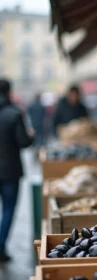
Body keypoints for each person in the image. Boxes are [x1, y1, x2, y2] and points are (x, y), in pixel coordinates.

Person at [0, 79, 33, 262]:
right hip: (10, 172)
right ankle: (0, 246)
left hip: (9, 171)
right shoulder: (14, 113)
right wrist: (31, 136)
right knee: (8, 209)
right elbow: (23, 142)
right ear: (9, 92)